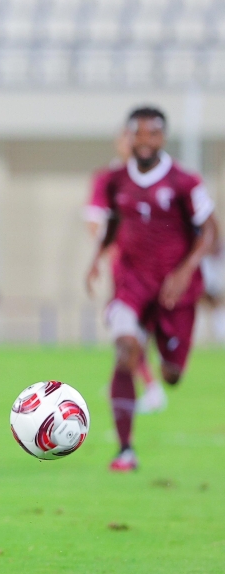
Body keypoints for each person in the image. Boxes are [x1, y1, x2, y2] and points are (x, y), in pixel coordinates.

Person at [86, 106, 218, 472]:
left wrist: (185, 270)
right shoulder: (114, 180)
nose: (144, 141)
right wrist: (96, 258)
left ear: (163, 137)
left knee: (172, 374)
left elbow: (209, 230)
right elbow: (110, 222)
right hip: (131, 283)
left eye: (152, 134)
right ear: (128, 137)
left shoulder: (184, 182)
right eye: (138, 134)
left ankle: (166, 362)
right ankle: (125, 450)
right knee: (125, 349)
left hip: (177, 290)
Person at [84, 130, 167, 414]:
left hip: (152, 270)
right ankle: (132, 382)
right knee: (126, 327)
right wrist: (108, 250)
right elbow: (94, 219)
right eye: (124, 140)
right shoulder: (110, 179)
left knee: (130, 328)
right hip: (125, 269)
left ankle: (148, 387)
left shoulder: (162, 179)